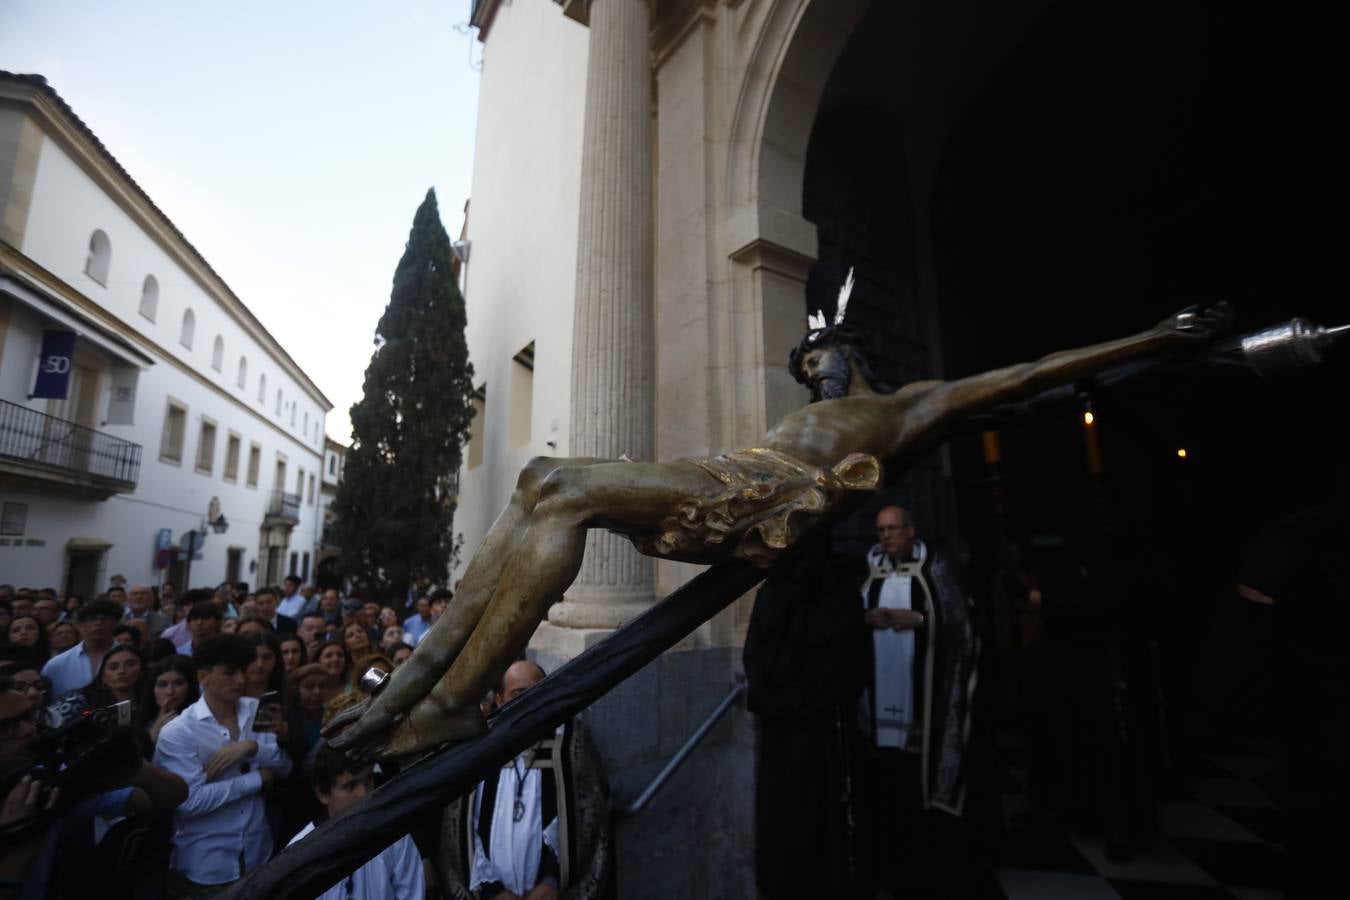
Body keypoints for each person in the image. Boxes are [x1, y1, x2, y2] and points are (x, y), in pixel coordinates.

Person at [328, 304, 1234, 758]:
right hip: (735, 473)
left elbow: (1033, 372)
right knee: (539, 478)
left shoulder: (914, 407)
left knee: (562, 488)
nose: (809, 366)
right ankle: (421, 682)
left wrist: (1152, 338)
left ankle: (443, 700)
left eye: (821, 355)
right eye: (803, 361)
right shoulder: (805, 413)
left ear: (856, 357)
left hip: (765, 498)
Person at [857, 505, 978, 898]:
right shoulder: (868, 571)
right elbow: (842, 620)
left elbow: (963, 625)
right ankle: (887, 865)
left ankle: (923, 870)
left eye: (893, 529)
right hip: (876, 699)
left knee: (914, 784)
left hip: (921, 706)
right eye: (881, 530)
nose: (886, 536)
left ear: (911, 530)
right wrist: (865, 618)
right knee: (884, 786)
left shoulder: (935, 569)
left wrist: (923, 620)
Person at [437, 660, 611, 900]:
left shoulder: (570, 741)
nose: (529, 700)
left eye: (537, 690)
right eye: (518, 693)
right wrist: (492, 890)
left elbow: (586, 816)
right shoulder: (478, 748)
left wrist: (552, 880)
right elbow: (459, 826)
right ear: (500, 700)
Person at [153, 635, 293, 895]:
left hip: (258, 853)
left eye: (242, 671)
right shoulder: (179, 732)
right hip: (205, 864)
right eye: (229, 673)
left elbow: (284, 767)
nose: (240, 680)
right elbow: (189, 802)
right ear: (203, 676)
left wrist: (251, 748)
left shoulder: (255, 710)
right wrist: (257, 780)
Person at [285, 745, 425, 899]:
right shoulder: (298, 852)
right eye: (350, 786)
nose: (364, 793)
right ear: (323, 794)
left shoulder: (395, 835)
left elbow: (413, 894)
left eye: (368, 780)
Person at [42, 598, 121, 697]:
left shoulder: (132, 658)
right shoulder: (56, 664)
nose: (99, 623)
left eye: (105, 618)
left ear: (116, 622)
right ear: (81, 625)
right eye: (92, 618)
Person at [142, 655, 200, 748]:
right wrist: (153, 737)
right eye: (162, 685)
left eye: (178, 683)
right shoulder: (140, 722)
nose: (170, 692)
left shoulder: (202, 721)